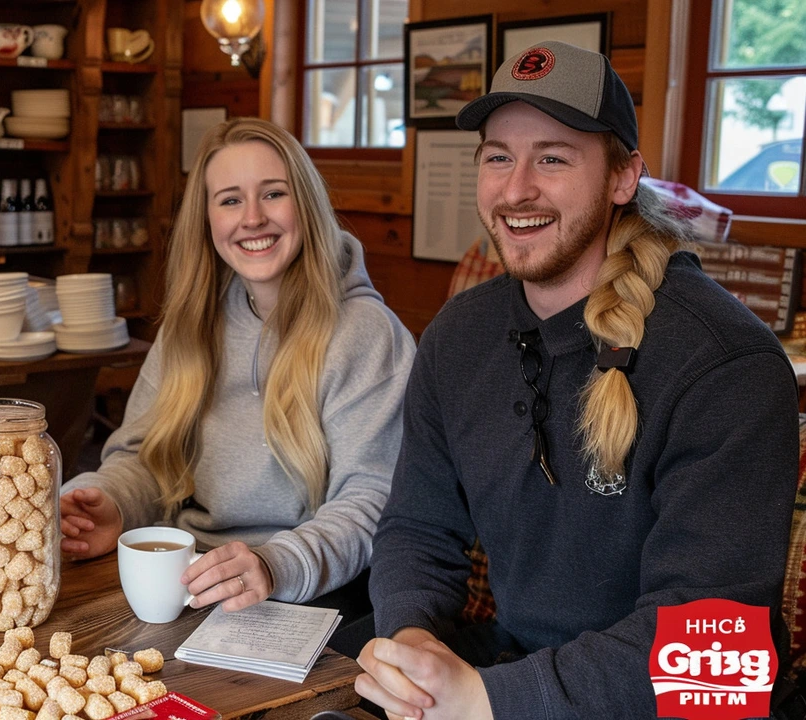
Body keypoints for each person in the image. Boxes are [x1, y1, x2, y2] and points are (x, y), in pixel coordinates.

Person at [356, 42, 799, 718]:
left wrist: (487, 699)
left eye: (553, 157)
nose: (515, 188)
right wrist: (413, 646)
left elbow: (715, 660)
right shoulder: (457, 337)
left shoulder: (726, 364)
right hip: (506, 669)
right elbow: (418, 526)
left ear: (624, 178)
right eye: (498, 156)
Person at [59, 118, 416, 623]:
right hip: (188, 581)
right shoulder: (193, 320)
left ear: (307, 205)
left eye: (272, 194)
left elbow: (371, 502)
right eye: (229, 200)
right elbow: (144, 455)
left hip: (313, 599)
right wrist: (113, 504)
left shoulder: (366, 333)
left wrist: (277, 564)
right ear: (207, 219)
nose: (252, 218)